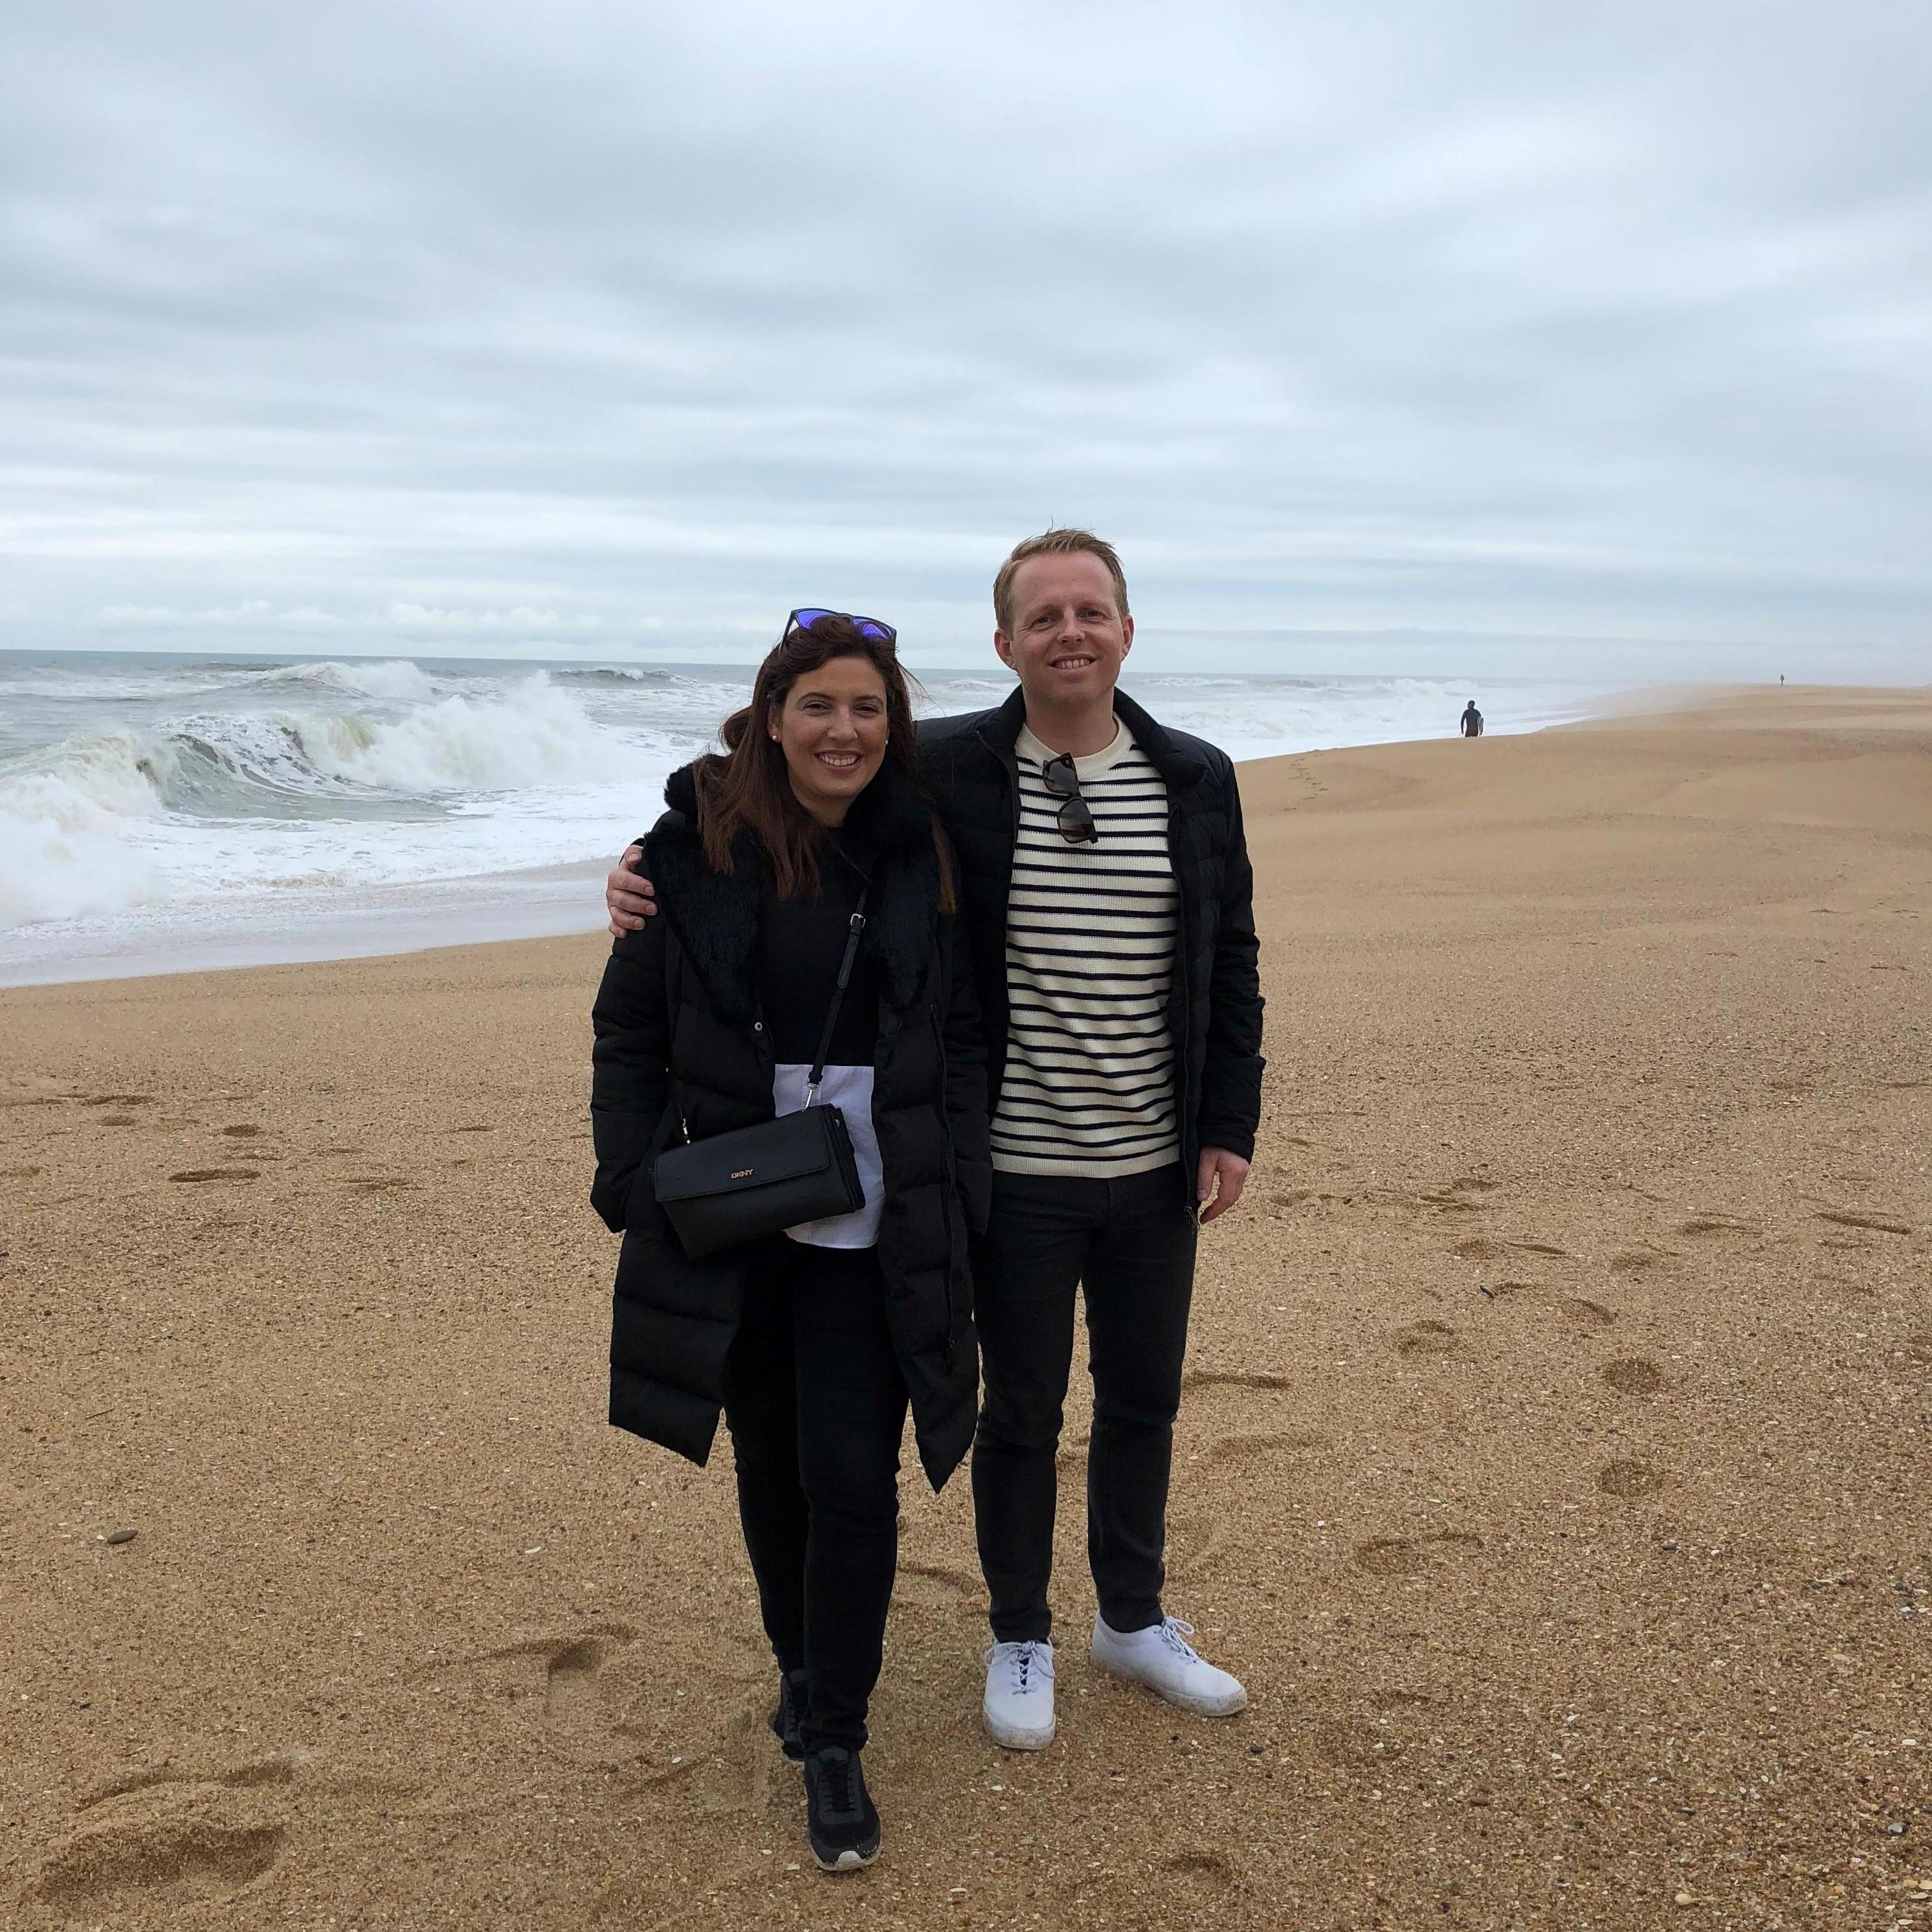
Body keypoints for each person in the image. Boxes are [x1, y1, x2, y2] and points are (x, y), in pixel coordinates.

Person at [607, 531, 1264, 1754]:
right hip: (1006, 1164)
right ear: (1004, 642)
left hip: (1156, 1159)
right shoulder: (950, 769)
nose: (1070, 633)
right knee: (1020, 1407)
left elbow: (1228, 955)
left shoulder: (1194, 775)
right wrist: (651, 863)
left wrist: (1228, 1121)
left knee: (1143, 1400)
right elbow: (778, 796)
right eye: (1043, 616)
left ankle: (1130, 1617)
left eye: (1091, 611)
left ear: (1127, 628)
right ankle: (1020, 1630)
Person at [589, 610, 988, 1874]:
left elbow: (968, 1030)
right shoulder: (686, 849)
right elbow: (628, 1030)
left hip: (881, 1214)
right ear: (771, 716)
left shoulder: (927, 844)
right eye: (817, 704)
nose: (842, 729)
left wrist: (963, 1173)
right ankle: (800, 1667)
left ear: (892, 723)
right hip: (733, 1210)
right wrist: (629, 1177)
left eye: (867, 707)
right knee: (768, 1463)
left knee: (851, 1475)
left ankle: (837, 1734)